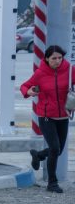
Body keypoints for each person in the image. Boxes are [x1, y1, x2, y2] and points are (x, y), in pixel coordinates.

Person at [21, 45, 72, 193]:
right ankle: (52, 183)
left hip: (63, 115)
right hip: (46, 116)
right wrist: (29, 91)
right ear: (47, 59)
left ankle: (38, 155)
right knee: (55, 148)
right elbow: (25, 86)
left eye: (60, 58)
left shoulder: (70, 71)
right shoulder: (40, 73)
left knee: (58, 150)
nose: (57, 61)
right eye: (54, 58)